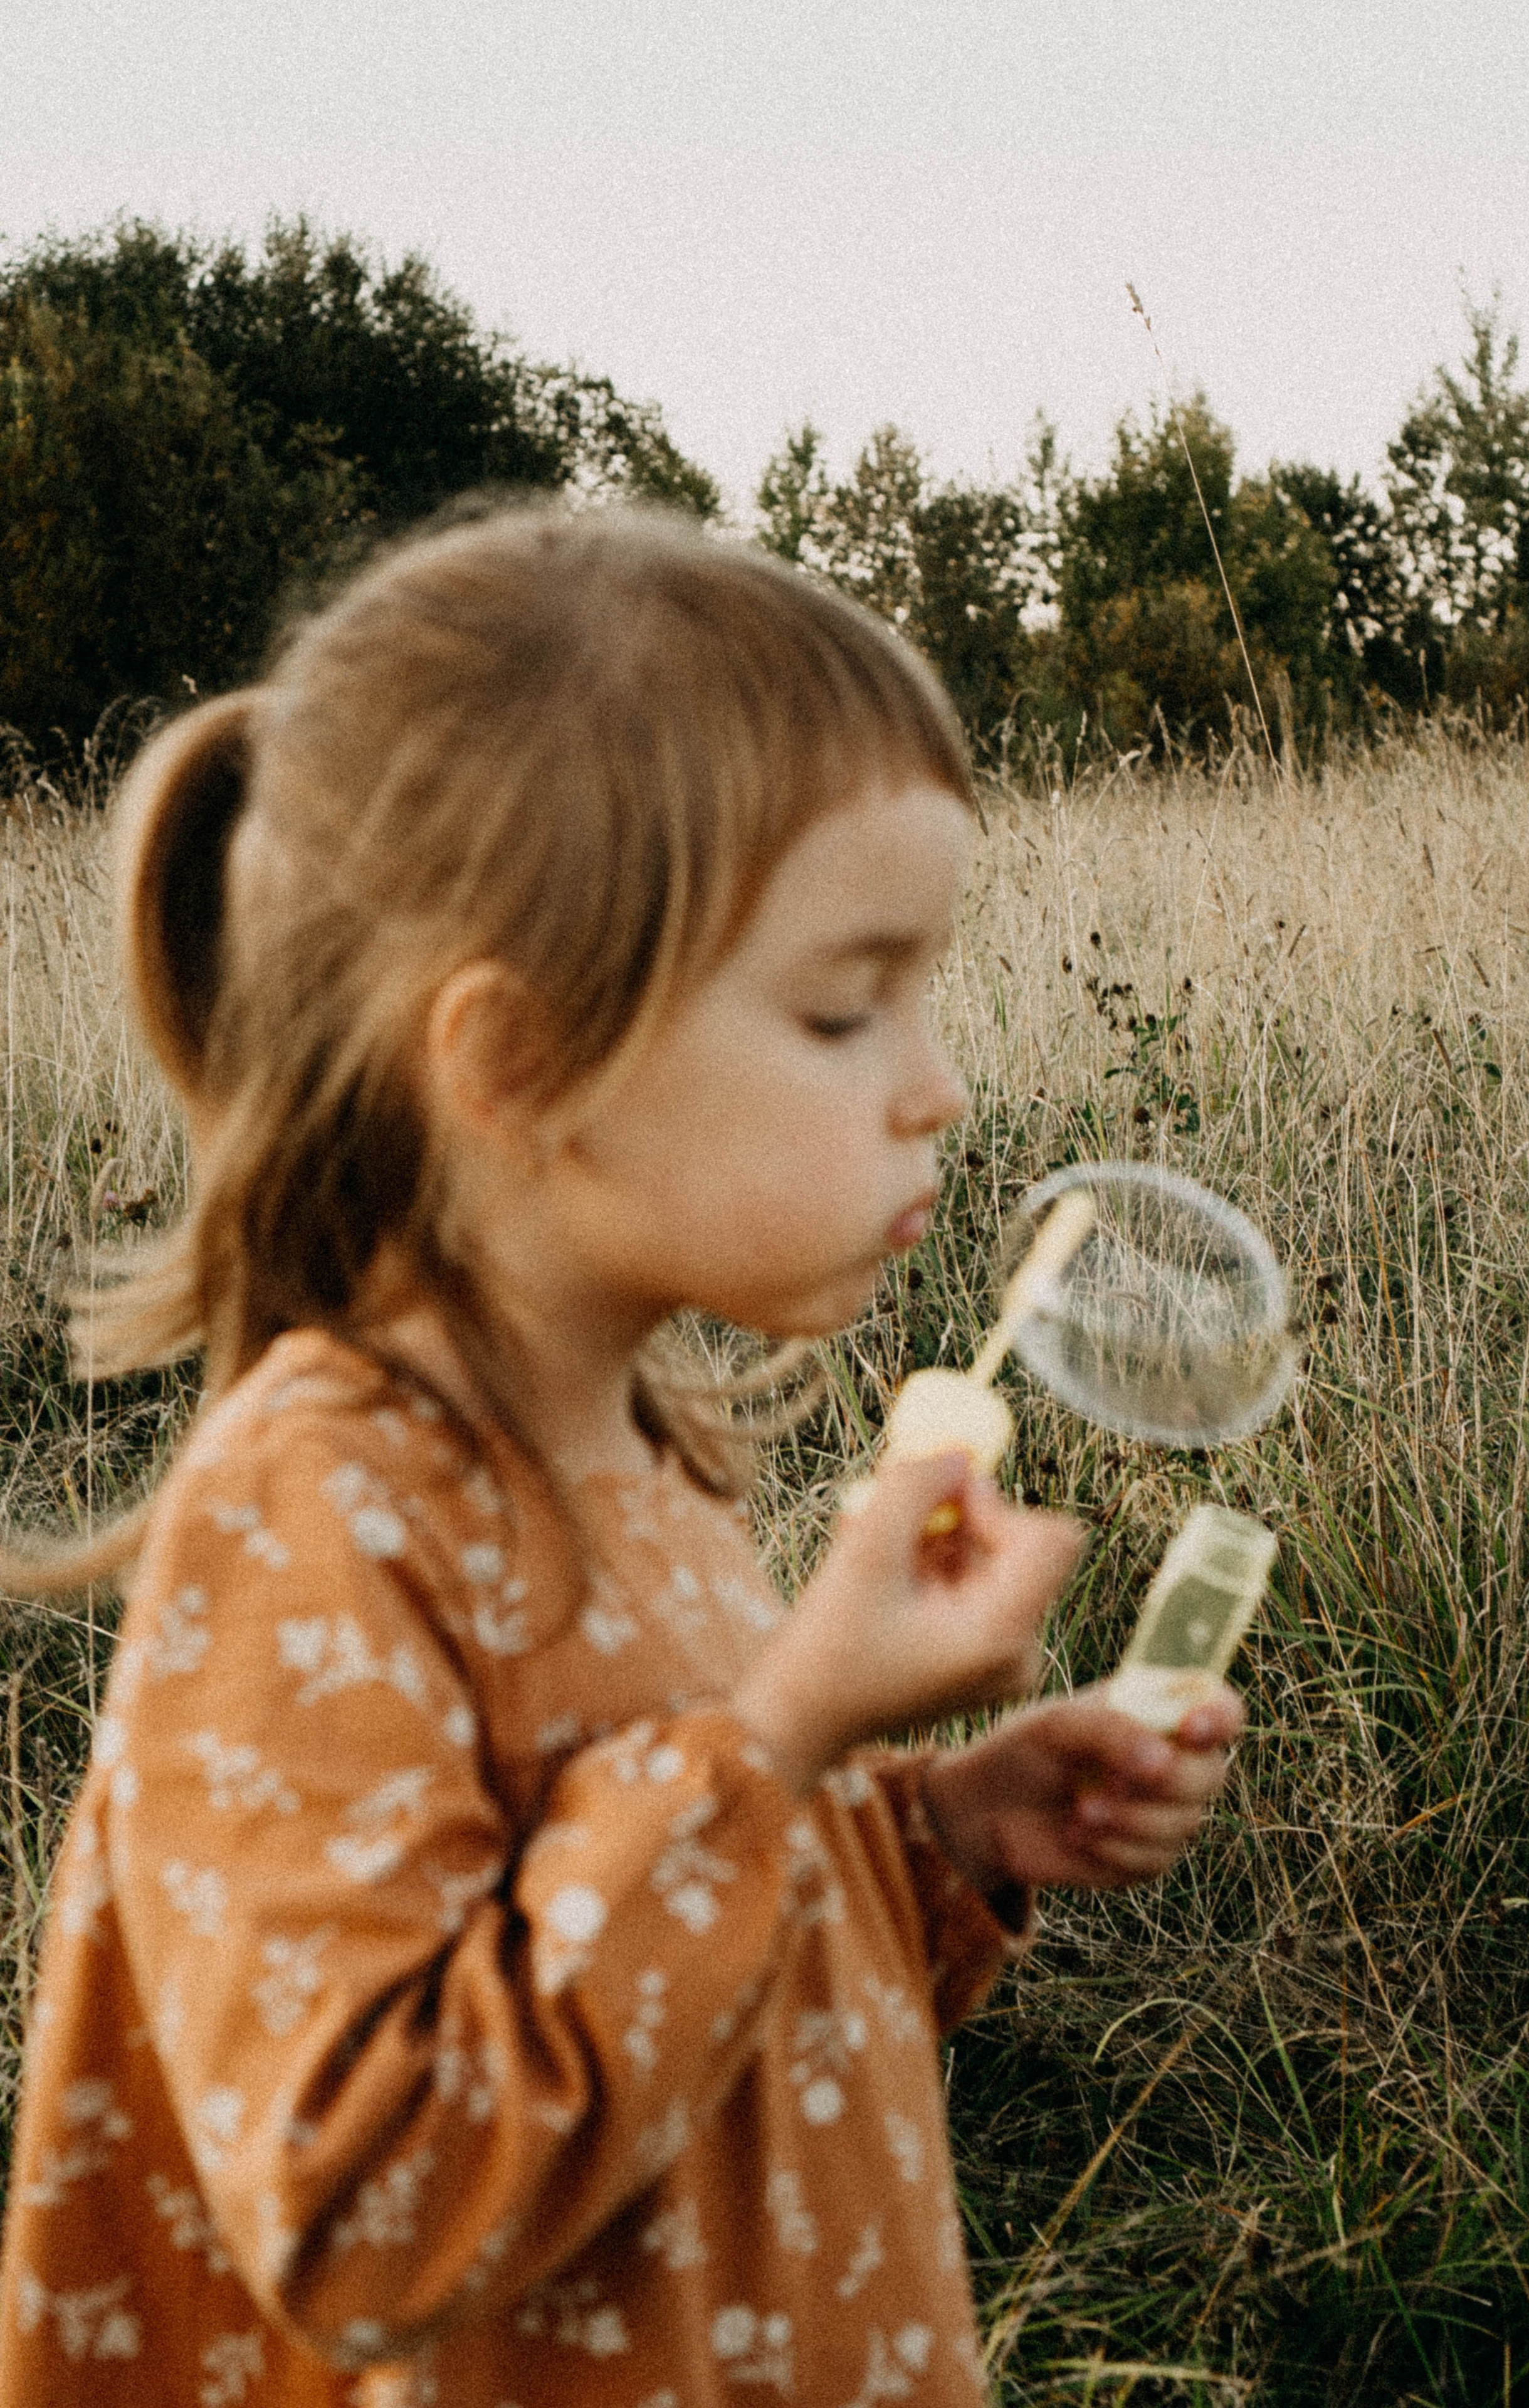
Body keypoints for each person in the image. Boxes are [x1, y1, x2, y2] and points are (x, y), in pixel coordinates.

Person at [0, 504, 1242, 2407]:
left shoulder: (650, 1457)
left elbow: (690, 1990)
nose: (938, 1085)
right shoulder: (319, 1508)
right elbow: (363, 2202)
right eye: (843, 1004)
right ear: (509, 1062)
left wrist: (939, 1831)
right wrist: (775, 1741)